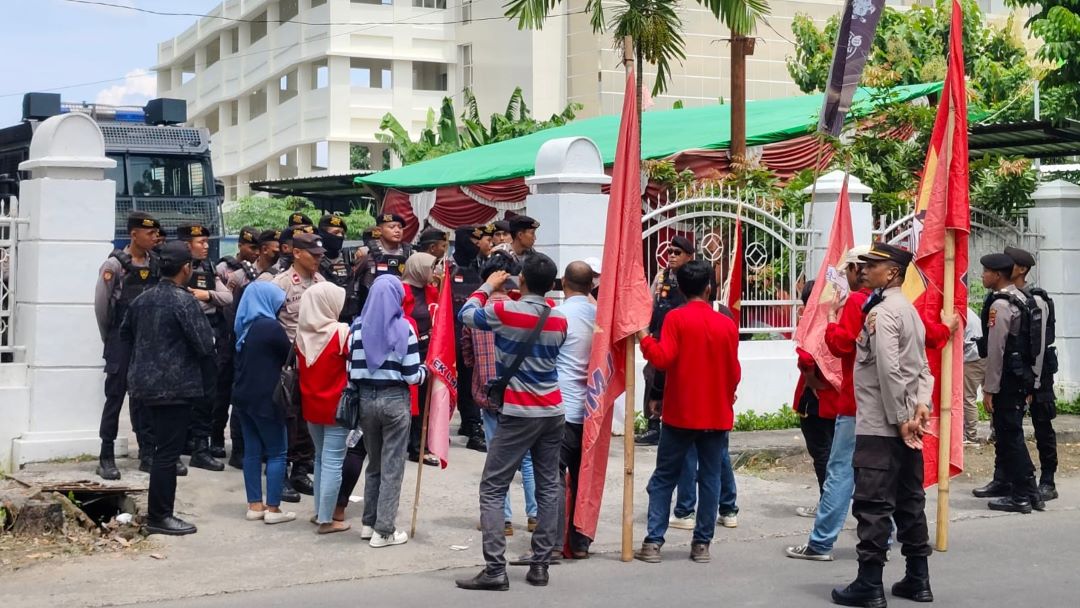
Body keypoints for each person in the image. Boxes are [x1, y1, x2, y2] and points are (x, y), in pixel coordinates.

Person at [831, 242, 934, 607]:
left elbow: (890, 371)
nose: (864, 270)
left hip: (881, 425)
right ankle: (918, 579)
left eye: (872, 265)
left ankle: (869, 583)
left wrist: (903, 419)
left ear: (891, 273)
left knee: (873, 505)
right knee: (910, 502)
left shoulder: (882, 313)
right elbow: (922, 368)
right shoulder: (908, 310)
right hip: (906, 422)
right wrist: (920, 406)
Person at [456, 253, 567, 591]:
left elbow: (466, 315)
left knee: (493, 487)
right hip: (552, 410)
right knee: (548, 485)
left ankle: (494, 569)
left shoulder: (505, 311)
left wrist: (486, 287)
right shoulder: (558, 319)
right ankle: (540, 564)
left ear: (522, 280)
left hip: (518, 411)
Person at [632, 260, 741, 565]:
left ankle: (654, 542)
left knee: (665, 476)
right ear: (708, 288)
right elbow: (734, 372)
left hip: (681, 412)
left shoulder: (675, 318)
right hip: (716, 413)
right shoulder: (726, 324)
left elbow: (662, 359)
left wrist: (644, 338)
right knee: (710, 478)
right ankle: (702, 544)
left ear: (680, 287)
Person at [121, 241, 215, 536]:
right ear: (186, 268)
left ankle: (159, 513)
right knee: (167, 455)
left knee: (157, 451)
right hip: (174, 390)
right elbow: (204, 344)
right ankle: (160, 516)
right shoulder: (184, 301)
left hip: (142, 386)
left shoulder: (142, 299)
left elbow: (124, 334)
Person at [786, 245, 872, 561]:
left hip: (850, 402)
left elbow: (838, 345)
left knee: (837, 471)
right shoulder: (892, 304)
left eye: (848, 269)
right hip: (880, 404)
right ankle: (883, 536)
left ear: (858, 270)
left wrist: (833, 316)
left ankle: (821, 542)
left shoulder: (858, 303)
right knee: (874, 472)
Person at [461, 250, 538, 537]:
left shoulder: (477, 313)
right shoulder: (521, 310)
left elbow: (467, 357)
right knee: (527, 458)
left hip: (489, 394)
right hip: (520, 394)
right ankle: (535, 515)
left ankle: (502, 519)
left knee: (497, 458)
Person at [349, 275, 428, 548]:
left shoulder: (356, 329)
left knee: (374, 463)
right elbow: (411, 375)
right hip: (394, 400)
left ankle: (368, 523)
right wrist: (426, 371)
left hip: (365, 401)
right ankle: (384, 530)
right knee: (392, 466)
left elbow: (351, 370)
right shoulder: (405, 329)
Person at [974, 252, 1045, 514]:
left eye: (985, 272)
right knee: (1012, 436)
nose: (982, 276)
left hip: (1006, 381)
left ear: (997, 275)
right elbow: (1034, 345)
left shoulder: (1001, 305)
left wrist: (989, 389)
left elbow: (996, 350)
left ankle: (1020, 497)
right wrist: (1033, 381)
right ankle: (1031, 493)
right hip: (1022, 377)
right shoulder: (1023, 299)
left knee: (1010, 438)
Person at [93, 211, 161, 480]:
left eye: (156, 233)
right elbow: (102, 308)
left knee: (144, 398)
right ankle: (106, 455)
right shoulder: (114, 265)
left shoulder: (155, 263)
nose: (155, 237)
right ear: (134, 234)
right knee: (115, 397)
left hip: (147, 341)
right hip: (121, 340)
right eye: (149, 233)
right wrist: (110, 339)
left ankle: (147, 452)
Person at [264, 232, 327, 498]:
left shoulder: (322, 283)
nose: (318, 260)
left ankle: (301, 471)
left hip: (316, 362)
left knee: (308, 419)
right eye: (313, 255)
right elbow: (268, 323)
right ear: (297, 253)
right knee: (286, 419)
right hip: (288, 363)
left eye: (320, 255)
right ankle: (282, 473)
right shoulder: (280, 284)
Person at [231, 282, 296, 525]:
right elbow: (289, 355)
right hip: (267, 398)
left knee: (252, 451)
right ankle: (273, 508)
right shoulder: (270, 327)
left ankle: (255, 505)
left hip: (244, 396)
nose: (281, 307)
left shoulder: (245, 326)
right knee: (277, 452)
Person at [297, 282, 352, 534]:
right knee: (333, 462)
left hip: (311, 405)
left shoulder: (301, 334)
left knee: (320, 458)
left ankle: (321, 511)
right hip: (337, 407)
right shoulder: (341, 332)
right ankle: (327, 519)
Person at [1005, 245, 1058, 501]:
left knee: (1042, 422)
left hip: (1038, 371)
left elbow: (1039, 342)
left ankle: (1048, 479)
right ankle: (1005, 478)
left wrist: (1034, 381)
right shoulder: (1006, 296)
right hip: (1017, 370)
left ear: (1021, 269)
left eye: (1010, 263)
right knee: (1007, 425)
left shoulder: (1036, 299)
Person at [177, 222, 230, 472]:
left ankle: (200, 447)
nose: (206, 246)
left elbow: (227, 297)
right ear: (187, 245)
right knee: (179, 395)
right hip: (180, 337)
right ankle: (178, 444)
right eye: (201, 242)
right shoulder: (173, 267)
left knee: (208, 393)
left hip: (208, 333)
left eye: (207, 242)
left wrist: (206, 295)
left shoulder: (209, 267)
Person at [554, 261, 598, 559]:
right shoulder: (600, 318)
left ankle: (554, 542)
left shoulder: (559, 316)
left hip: (563, 407)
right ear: (591, 286)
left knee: (554, 476)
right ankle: (580, 542)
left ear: (563, 283)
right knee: (584, 477)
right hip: (592, 409)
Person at [636, 235, 694, 446]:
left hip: (685, 337)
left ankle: (681, 422)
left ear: (689, 256)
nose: (672, 256)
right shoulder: (662, 277)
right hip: (660, 335)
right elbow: (651, 303)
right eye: (670, 252)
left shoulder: (694, 276)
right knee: (652, 374)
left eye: (677, 253)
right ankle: (653, 425)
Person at [791, 279, 838, 518]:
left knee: (822, 454)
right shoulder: (837, 319)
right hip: (839, 397)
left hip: (818, 399)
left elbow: (806, 356)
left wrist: (810, 377)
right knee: (835, 455)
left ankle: (827, 504)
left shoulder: (816, 324)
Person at [450, 226, 489, 452]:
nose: (477, 245)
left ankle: (471, 425)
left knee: (469, 381)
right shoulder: (446, 267)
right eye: (473, 241)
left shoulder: (481, 266)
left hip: (471, 334)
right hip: (448, 334)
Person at [402, 252, 440, 466]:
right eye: (430, 267)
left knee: (425, 398)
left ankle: (420, 445)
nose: (434, 272)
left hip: (428, 351)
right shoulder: (400, 291)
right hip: (406, 351)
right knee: (408, 397)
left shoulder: (431, 291)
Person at [355, 212, 413, 307]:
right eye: (392, 227)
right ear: (379, 230)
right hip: (373, 306)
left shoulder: (410, 253)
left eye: (400, 227)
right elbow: (353, 279)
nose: (397, 230)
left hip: (402, 306)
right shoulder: (366, 253)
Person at [316, 214, 361, 322]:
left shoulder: (349, 257)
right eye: (336, 233)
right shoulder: (315, 259)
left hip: (347, 316)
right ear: (323, 234)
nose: (340, 236)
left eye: (342, 233)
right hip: (322, 316)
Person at [962, 306, 985, 445]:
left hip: (973, 358)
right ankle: (997, 432)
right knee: (991, 395)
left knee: (968, 397)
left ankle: (971, 435)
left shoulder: (960, 313)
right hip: (984, 354)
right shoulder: (968, 311)